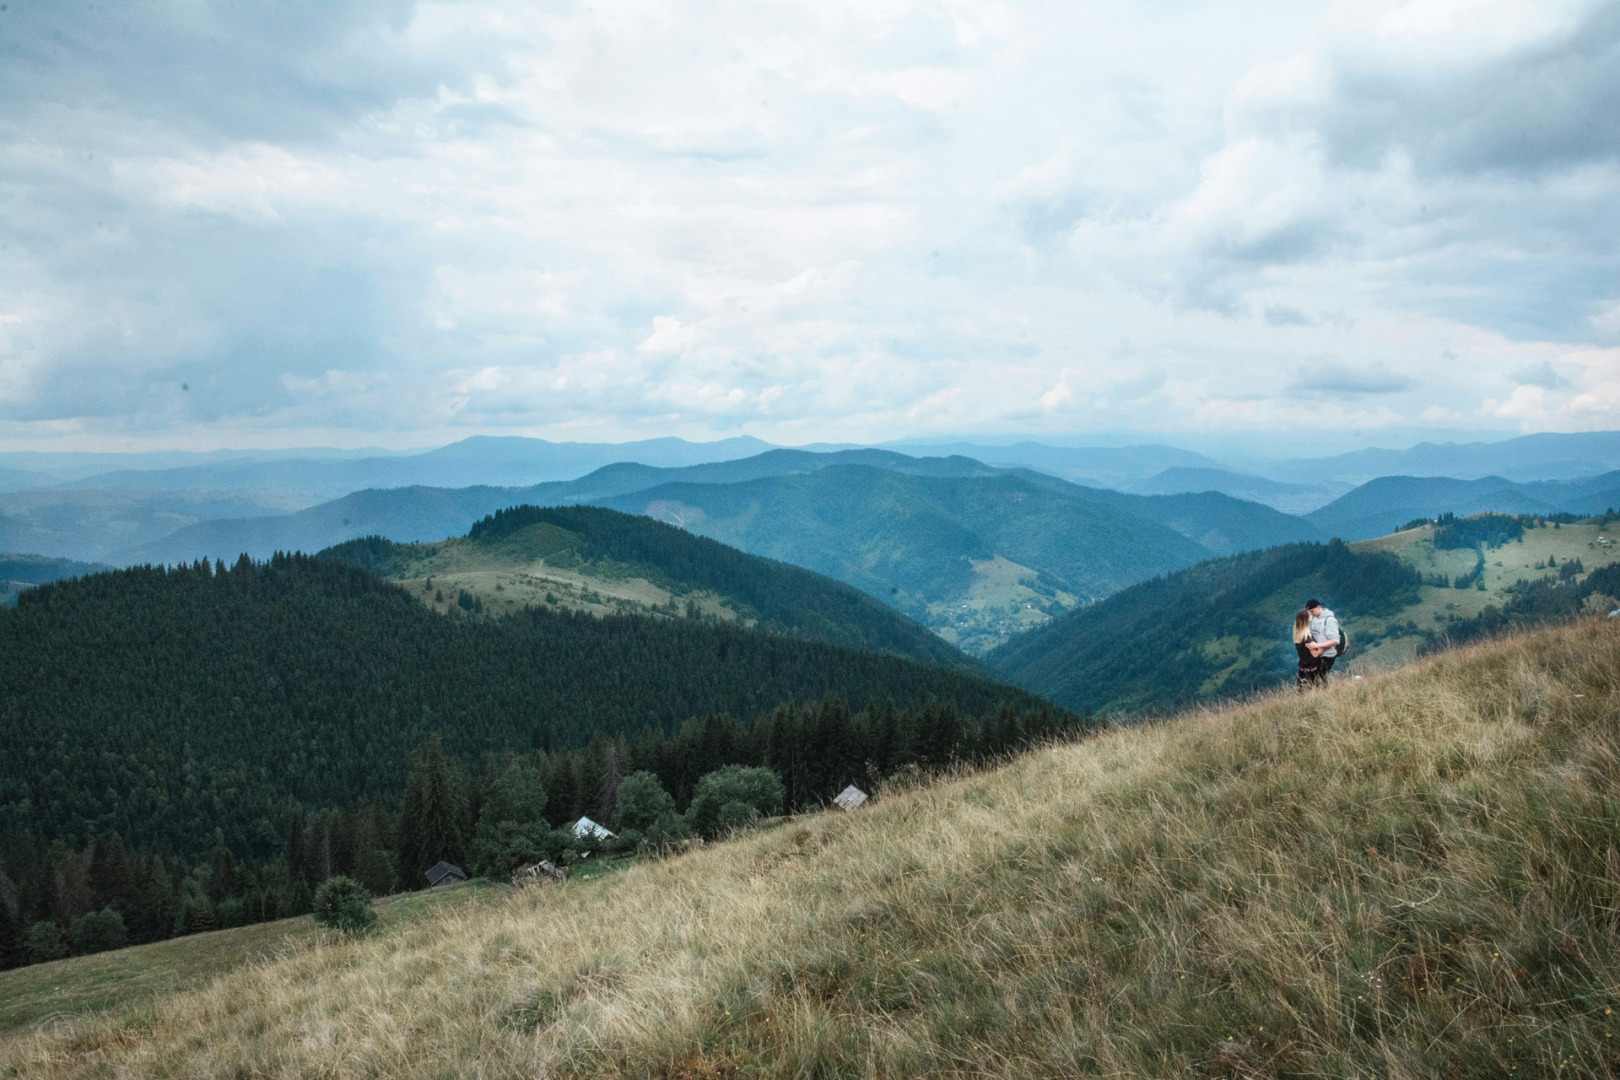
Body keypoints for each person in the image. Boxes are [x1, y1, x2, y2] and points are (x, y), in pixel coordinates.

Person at [1294, 609, 1334, 690]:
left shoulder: (1298, 634)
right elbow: (1315, 654)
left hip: (1303, 665)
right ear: (1306, 619)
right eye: (1309, 615)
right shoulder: (1308, 637)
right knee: (1321, 687)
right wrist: (1326, 646)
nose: (1311, 616)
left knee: (1302, 690)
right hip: (1312, 666)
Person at [1306, 598, 1342, 681]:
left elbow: (1335, 641)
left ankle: (1325, 693)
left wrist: (1317, 645)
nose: (1311, 614)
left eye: (1312, 611)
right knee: (1317, 680)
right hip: (1317, 654)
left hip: (1328, 655)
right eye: (1309, 612)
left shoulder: (1329, 620)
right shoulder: (1314, 619)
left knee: (1320, 679)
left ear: (1319, 607)